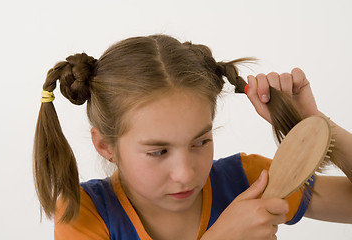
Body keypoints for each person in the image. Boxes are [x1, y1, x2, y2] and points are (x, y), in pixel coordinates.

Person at [34, 34, 352, 240]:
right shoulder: (86, 213)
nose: (186, 173)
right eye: (159, 151)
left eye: (200, 142)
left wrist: (318, 124)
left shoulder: (250, 181)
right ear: (105, 146)